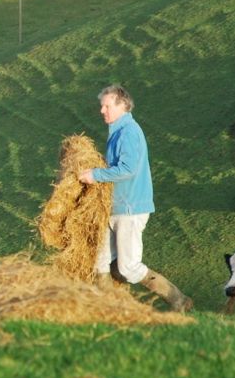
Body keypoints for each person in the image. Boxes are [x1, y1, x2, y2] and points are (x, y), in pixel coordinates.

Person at [78, 84, 193, 312]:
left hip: (130, 209)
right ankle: (110, 309)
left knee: (128, 267)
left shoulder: (129, 131)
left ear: (122, 105)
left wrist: (95, 175)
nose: (102, 110)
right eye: (102, 106)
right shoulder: (118, 132)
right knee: (100, 262)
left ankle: (179, 300)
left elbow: (128, 169)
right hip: (114, 208)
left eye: (106, 106)